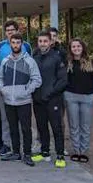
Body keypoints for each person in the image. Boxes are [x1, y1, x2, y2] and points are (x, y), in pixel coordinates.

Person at [0, 34, 42, 166]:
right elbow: (0, 78)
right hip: (9, 101)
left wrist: (26, 91)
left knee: (26, 129)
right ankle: (16, 153)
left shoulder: (29, 61)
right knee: (12, 128)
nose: (16, 45)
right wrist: (3, 90)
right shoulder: (5, 61)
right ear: (10, 44)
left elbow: (37, 79)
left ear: (21, 44)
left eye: (18, 43)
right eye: (13, 43)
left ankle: (27, 154)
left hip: (24, 101)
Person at [0, 20, 31, 156]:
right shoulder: (0, 46)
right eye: (8, 30)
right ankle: (7, 145)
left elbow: (30, 66)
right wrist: (0, 87)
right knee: (5, 119)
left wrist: (28, 88)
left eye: (12, 30)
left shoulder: (26, 45)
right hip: (5, 90)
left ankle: (22, 146)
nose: (10, 32)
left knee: (23, 120)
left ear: (17, 31)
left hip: (22, 90)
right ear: (5, 32)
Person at [31, 31, 67, 168]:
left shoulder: (57, 57)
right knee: (42, 127)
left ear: (50, 42)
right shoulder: (35, 56)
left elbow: (63, 80)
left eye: (45, 41)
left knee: (56, 128)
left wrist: (51, 93)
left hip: (53, 99)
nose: (42, 44)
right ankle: (44, 152)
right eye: (40, 41)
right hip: (38, 100)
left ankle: (60, 155)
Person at [65, 38, 93, 164]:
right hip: (71, 97)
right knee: (74, 125)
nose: (76, 48)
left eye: (78, 46)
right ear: (71, 49)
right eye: (73, 47)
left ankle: (83, 151)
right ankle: (76, 151)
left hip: (87, 98)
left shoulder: (91, 62)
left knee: (85, 125)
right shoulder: (68, 62)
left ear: (82, 47)